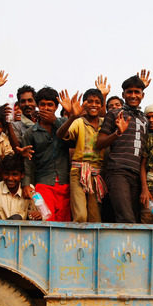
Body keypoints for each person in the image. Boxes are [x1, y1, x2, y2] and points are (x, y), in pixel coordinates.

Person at [96, 75, 150, 222]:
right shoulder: (114, 114)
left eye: (137, 92)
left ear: (142, 95)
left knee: (136, 219)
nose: (133, 95)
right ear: (123, 95)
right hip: (117, 172)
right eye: (129, 92)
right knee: (126, 218)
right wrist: (117, 133)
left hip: (137, 175)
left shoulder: (145, 120)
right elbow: (99, 143)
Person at [21, 86, 71, 221]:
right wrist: (26, 184)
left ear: (56, 107)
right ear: (37, 106)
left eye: (50, 105)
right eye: (43, 104)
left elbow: (72, 140)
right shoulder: (30, 133)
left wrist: (55, 121)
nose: (46, 108)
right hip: (43, 184)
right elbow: (28, 161)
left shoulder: (64, 124)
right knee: (46, 219)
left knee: (64, 222)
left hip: (65, 184)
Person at [57, 89, 106, 222]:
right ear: (84, 104)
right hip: (78, 172)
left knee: (95, 218)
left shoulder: (105, 123)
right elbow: (61, 134)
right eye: (90, 101)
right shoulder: (79, 122)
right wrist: (73, 116)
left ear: (102, 105)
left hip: (96, 174)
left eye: (97, 102)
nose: (93, 105)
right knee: (80, 216)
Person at [0, 154, 41, 220]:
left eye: (14, 174)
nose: (10, 178)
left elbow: (36, 214)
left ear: (22, 175)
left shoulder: (29, 190)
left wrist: (37, 215)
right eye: (6, 174)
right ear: (2, 174)